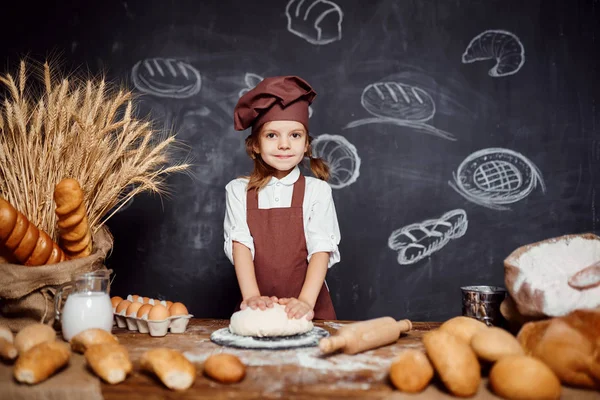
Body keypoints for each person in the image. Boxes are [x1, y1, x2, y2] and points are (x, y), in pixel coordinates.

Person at [224, 76, 341, 321]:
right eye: (272, 135)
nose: (284, 145)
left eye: (295, 135)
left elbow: (321, 250)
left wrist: (305, 303)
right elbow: (240, 246)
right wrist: (252, 297)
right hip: (257, 308)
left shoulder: (317, 191)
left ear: (307, 144)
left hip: (311, 308)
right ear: (255, 144)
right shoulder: (237, 190)